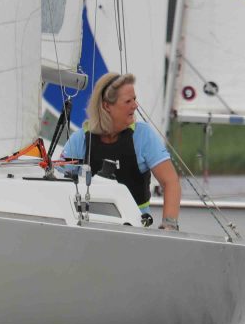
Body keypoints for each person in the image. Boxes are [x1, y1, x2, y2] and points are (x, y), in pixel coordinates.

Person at [62, 72, 182, 230]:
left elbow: (170, 182)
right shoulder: (80, 140)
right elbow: (58, 181)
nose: (135, 105)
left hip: (136, 229)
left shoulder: (143, 135)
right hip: (90, 228)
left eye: (134, 99)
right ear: (107, 106)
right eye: (128, 101)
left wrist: (169, 225)